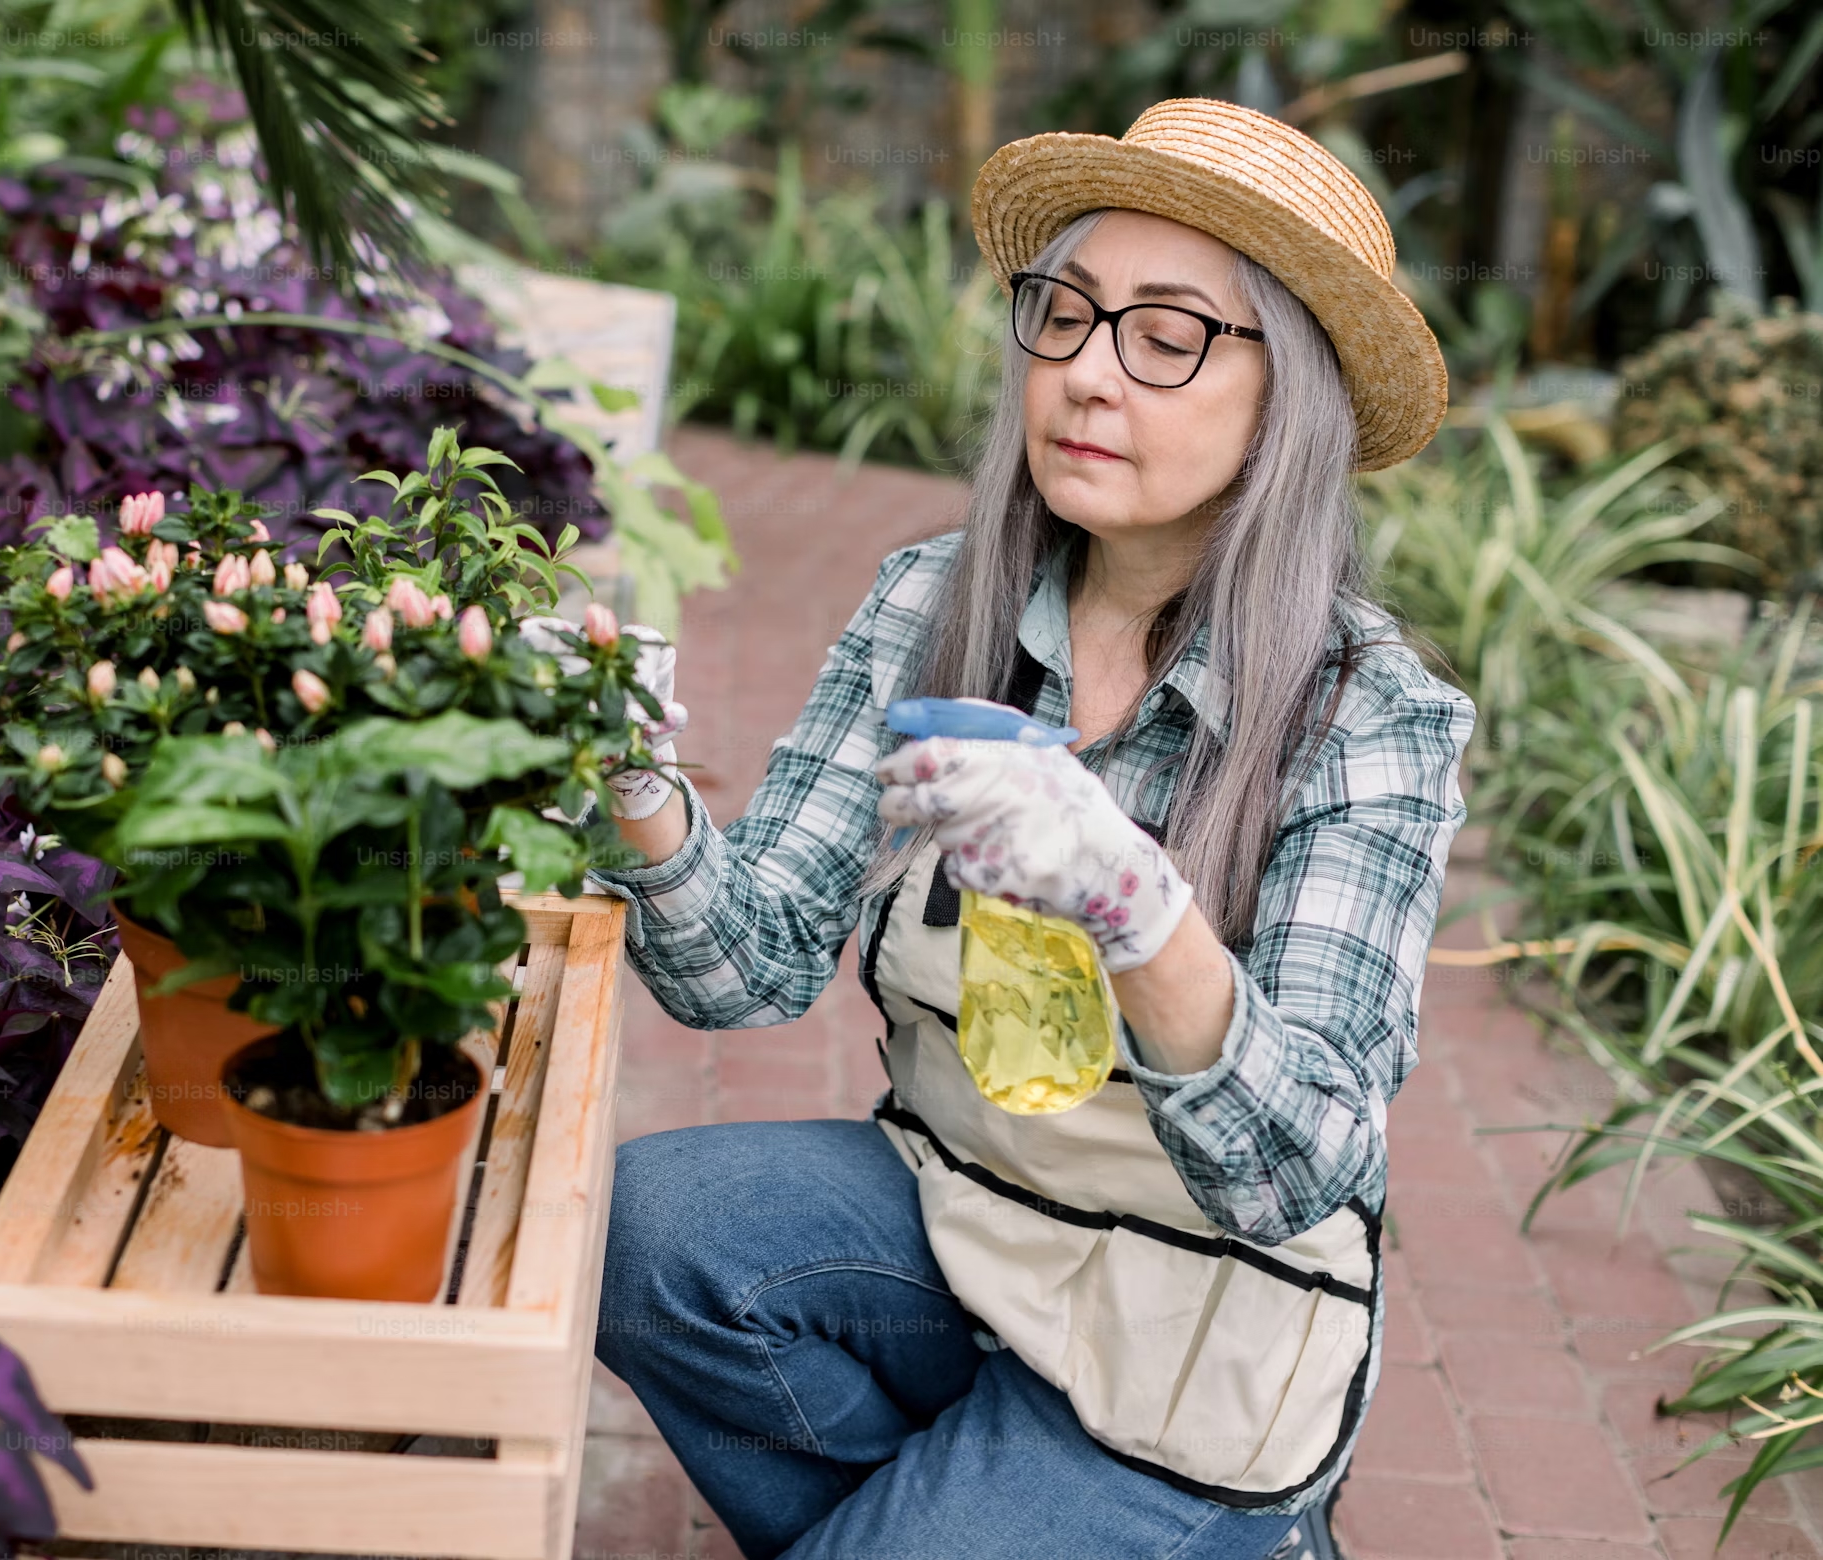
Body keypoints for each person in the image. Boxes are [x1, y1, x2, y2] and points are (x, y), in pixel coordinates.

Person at [568, 98, 1474, 1560]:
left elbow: (1297, 1164)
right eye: (1066, 312)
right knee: (640, 1237)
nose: (1089, 375)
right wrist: (634, 786)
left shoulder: (1369, 718)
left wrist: (1139, 910)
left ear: (1285, 399)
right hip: (966, 1226)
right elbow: (745, 969)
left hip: (1196, 1361)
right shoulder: (935, 606)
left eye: (1168, 334)